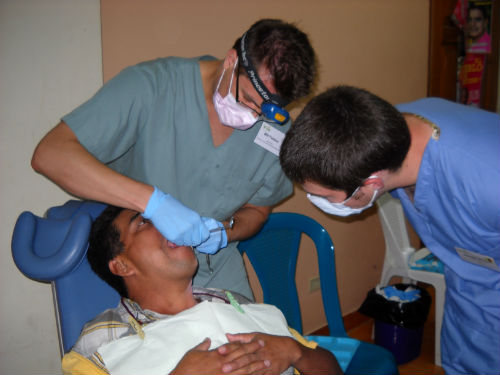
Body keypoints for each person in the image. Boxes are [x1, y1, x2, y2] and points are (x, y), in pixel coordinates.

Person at [31, 19, 316, 300]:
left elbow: (257, 211)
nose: (254, 117)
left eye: (266, 111)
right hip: (148, 276)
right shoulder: (152, 88)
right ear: (231, 60)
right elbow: (51, 154)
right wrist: (153, 203)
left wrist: (224, 232)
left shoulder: (276, 132)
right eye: (248, 99)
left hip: (219, 272)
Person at [279, 85, 500, 375]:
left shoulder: (487, 183)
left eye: (327, 197)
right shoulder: (377, 136)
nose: (322, 204)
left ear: (370, 185)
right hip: (470, 295)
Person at [61, 205, 342, 375]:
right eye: (144, 222)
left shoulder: (238, 305)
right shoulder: (104, 337)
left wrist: (296, 353)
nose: (171, 225)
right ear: (121, 265)